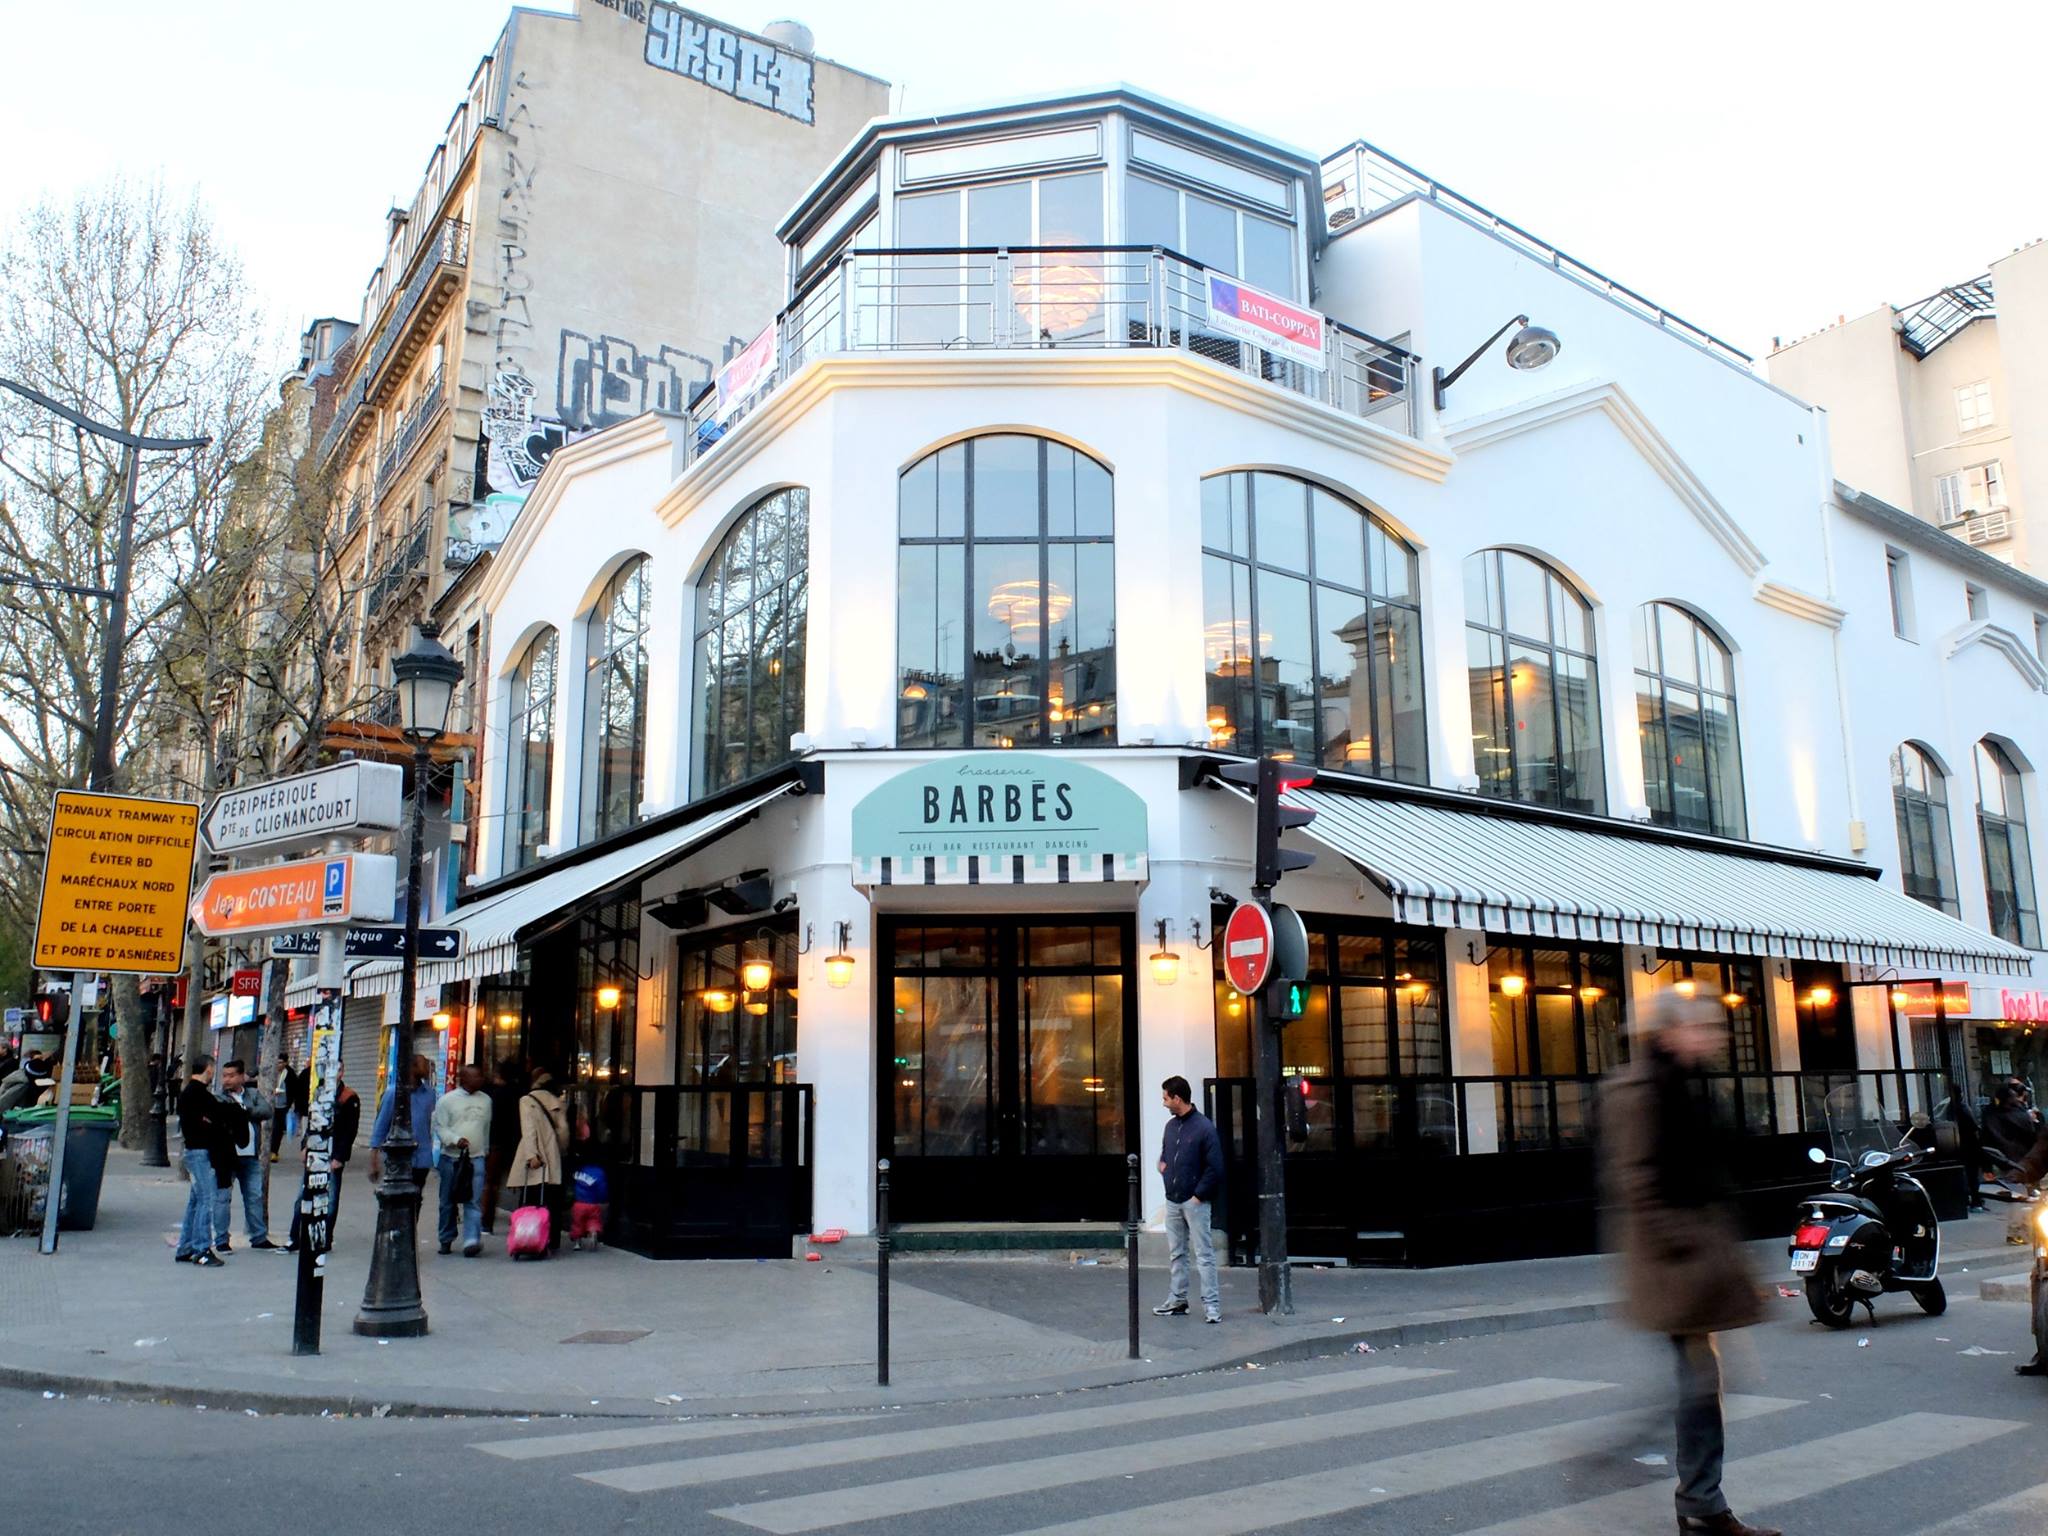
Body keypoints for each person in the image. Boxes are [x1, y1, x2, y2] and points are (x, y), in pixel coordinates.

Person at [1600, 992, 1777, 1536]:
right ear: (1669, 1031)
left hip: (1699, 1256)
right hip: (1676, 1265)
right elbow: (1636, 1178)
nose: (1714, 1037)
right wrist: (1685, 1245)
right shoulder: (1641, 1089)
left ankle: (1699, 1501)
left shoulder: (1683, 1084)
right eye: (1702, 1027)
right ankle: (1678, 1490)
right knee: (1700, 1383)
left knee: (1704, 1382)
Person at [1153, 1074, 1224, 1325]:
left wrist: (1198, 1195)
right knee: (1178, 1253)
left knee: (1203, 1254)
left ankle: (1210, 1305)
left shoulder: (1204, 1128)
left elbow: (1215, 1167)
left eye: (1166, 1098)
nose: (1163, 1103)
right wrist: (1164, 1167)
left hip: (1193, 1201)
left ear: (1177, 1098)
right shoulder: (1172, 1127)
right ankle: (1178, 1300)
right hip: (1175, 1199)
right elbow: (1166, 1155)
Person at [286, 1077, 361, 1252]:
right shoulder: (319, 1092)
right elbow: (313, 1122)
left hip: (332, 1154)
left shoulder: (348, 1097)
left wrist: (339, 1157)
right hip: (316, 1152)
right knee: (303, 1197)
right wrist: (305, 1145)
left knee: (330, 1199)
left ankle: (324, 1239)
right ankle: (295, 1237)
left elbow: (350, 1131)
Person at [215, 1060, 277, 1250]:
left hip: (250, 1155)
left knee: (254, 1196)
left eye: (231, 1075)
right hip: (227, 1156)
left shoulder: (252, 1094)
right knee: (223, 1198)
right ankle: (221, 1240)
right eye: (224, 1076)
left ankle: (258, 1237)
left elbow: (267, 1111)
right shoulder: (219, 1098)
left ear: (242, 1077)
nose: (227, 1080)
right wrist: (238, 1112)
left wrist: (245, 1110)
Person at [431, 1063, 492, 1256]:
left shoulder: (486, 1101)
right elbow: (440, 1127)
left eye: (480, 1076)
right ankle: (446, 1238)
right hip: (451, 1158)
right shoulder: (446, 1101)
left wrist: (485, 1150)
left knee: (473, 1200)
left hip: (476, 1158)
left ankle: (471, 1240)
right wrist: (455, 1140)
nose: (479, 1080)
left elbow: (486, 1128)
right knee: (447, 1201)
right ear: (463, 1078)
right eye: (475, 1076)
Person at [174, 1055, 229, 1267]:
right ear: (208, 1068)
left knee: (196, 1201)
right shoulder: (199, 1095)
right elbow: (210, 1120)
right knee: (207, 1199)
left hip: (194, 1150)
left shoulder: (189, 1092)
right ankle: (202, 1249)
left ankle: (186, 1247)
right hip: (200, 1152)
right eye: (213, 1068)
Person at [511, 1068, 568, 1252]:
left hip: (535, 1154)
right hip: (552, 1153)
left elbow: (528, 1129)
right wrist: (560, 1150)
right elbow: (563, 1131)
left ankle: (529, 1237)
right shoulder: (558, 1102)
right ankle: (553, 1239)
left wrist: (532, 1155)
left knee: (530, 1198)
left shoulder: (527, 1100)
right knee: (552, 1199)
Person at [369, 1053, 439, 1192]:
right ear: (412, 1068)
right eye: (423, 1064)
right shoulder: (393, 1093)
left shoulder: (430, 1094)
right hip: (398, 1159)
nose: (428, 1067)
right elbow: (381, 1127)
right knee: (398, 1195)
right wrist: (374, 1161)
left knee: (416, 1197)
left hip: (422, 1159)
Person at [481, 1060, 524, 1235]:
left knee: (491, 1184)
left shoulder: (490, 1094)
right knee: (521, 1183)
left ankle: (486, 1222)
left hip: (494, 1142)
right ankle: (522, 1220)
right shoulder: (520, 1093)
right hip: (515, 1142)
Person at [567, 1117, 609, 1251]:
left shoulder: (578, 1171)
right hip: (593, 1204)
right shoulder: (599, 1172)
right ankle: (593, 1232)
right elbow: (602, 1188)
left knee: (577, 1224)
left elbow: (572, 1187)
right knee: (593, 1220)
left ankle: (577, 1242)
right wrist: (602, 1200)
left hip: (578, 1204)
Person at [1981, 1081, 2038, 1164]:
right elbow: (2032, 1136)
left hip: (1998, 1159)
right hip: (2019, 1159)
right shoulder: (2019, 1115)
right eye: (2014, 1097)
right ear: (2009, 1099)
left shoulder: (1989, 1113)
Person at [270, 1054, 307, 1163]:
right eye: (277, 1062)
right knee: (271, 1128)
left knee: (277, 1129)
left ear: (286, 1063)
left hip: (283, 1106)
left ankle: (274, 1151)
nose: (279, 1065)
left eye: (281, 1062)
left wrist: (292, 1104)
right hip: (272, 1104)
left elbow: (295, 1090)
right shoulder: (272, 1072)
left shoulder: (290, 1075)